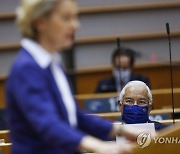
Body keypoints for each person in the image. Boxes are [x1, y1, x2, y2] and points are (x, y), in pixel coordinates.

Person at [6, 0, 137, 154]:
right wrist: (99, 146)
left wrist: (122, 130)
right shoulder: (26, 68)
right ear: (40, 22)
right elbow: (48, 125)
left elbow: (76, 117)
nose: (75, 25)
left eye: (75, 17)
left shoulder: (54, 64)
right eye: (66, 18)